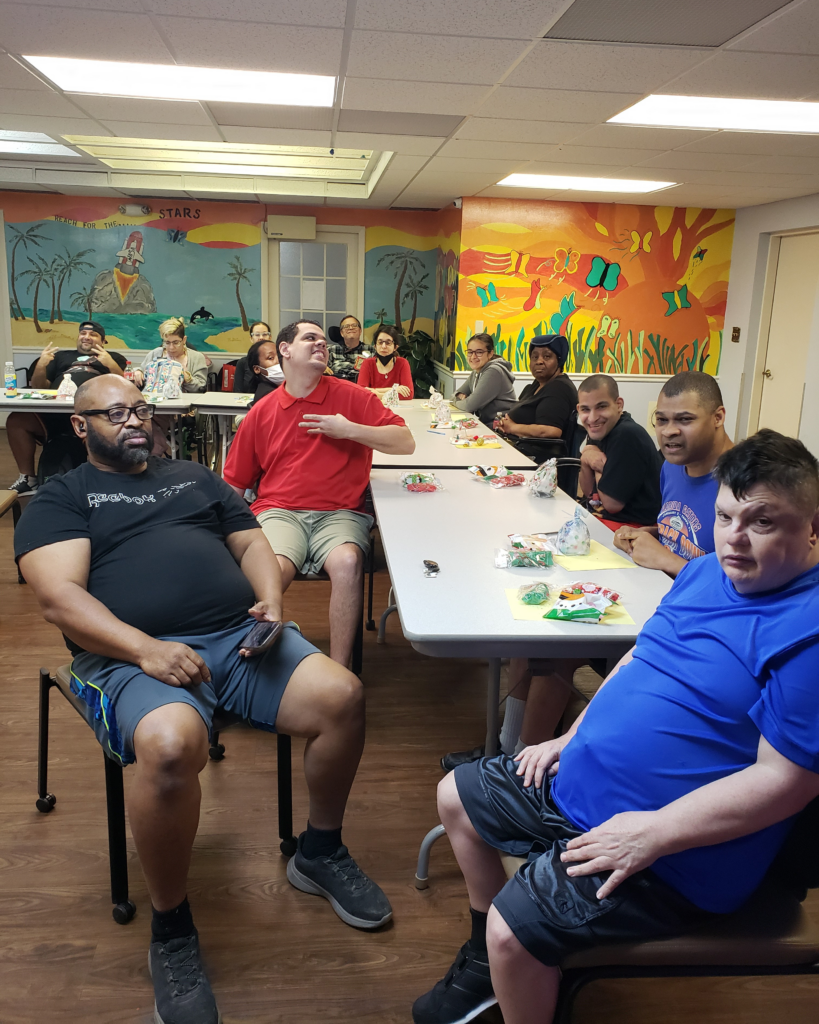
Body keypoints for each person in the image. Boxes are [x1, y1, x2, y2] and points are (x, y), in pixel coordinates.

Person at [15, 374, 393, 1024]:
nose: (134, 421)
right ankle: (171, 927)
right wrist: (144, 649)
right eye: (115, 413)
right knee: (167, 747)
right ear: (80, 427)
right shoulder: (62, 497)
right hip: (129, 656)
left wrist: (272, 600)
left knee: (341, 694)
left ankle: (319, 851)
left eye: (140, 409)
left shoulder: (192, 475)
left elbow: (250, 541)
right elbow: (59, 597)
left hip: (236, 639)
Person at [414, 428, 819, 1024]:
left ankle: (504, 958)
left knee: (513, 932)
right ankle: (485, 964)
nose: (735, 539)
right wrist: (571, 735)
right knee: (456, 798)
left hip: (674, 851)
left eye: (761, 523)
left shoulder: (807, 632)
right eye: (726, 516)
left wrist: (653, 833)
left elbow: (786, 783)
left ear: (813, 527)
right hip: (587, 787)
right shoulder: (707, 572)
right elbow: (641, 658)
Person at [223, 320, 415, 668]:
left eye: (324, 341)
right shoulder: (262, 412)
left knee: (348, 562)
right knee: (273, 568)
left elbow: (406, 443)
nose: (320, 345)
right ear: (285, 350)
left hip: (341, 512)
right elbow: (234, 487)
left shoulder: (351, 396)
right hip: (280, 510)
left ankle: (339, 672)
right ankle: (252, 660)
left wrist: (349, 430)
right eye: (309, 338)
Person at [614, 371, 733, 576]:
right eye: (661, 420)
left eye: (685, 419)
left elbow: (746, 588)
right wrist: (649, 535)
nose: (669, 431)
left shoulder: (747, 484)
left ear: (718, 417)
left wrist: (667, 560)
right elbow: (693, 539)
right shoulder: (672, 465)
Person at [6, 321, 126, 494]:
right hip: (53, 413)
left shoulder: (113, 357)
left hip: (94, 415)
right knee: (17, 420)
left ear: (103, 341)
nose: (86, 337)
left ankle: (110, 479)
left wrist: (109, 363)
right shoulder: (61, 356)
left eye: (93, 334)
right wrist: (41, 364)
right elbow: (40, 386)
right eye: (83, 333)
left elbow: (122, 384)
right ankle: (28, 479)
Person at [577, 374, 662, 529]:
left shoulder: (626, 434)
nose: (593, 417)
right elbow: (588, 492)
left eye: (601, 407)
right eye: (585, 409)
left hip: (632, 528)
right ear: (578, 409)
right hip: (603, 518)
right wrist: (586, 457)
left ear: (619, 405)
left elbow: (612, 504)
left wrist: (594, 462)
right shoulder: (599, 429)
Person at [495, 334, 577, 451]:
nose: (539, 361)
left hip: (539, 459)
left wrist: (512, 428)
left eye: (547, 356)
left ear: (559, 361)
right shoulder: (537, 385)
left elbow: (550, 431)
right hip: (519, 447)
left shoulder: (559, 388)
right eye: (534, 357)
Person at [451, 333, 516, 426]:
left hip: (501, 427)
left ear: (490, 353)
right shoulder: (476, 372)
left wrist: (456, 401)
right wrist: (459, 397)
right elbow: (455, 394)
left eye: (479, 352)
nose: (473, 357)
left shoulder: (494, 371)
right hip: (487, 423)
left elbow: (469, 406)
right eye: (470, 352)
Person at [133, 317, 208, 394]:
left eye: (176, 342)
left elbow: (200, 388)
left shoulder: (196, 357)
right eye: (167, 343)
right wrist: (138, 372)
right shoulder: (154, 354)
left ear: (184, 340)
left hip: (184, 403)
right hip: (155, 402)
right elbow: (141, 370)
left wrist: (186, 377)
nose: (171, 347)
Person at [357, 325, 414, 400]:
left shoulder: (402, 363)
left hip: (396, 409)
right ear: (375, 346)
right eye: (380, 342)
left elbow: (408, 394)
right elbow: (360, 392)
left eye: (388, 343)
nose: (383, 346)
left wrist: (376, 392)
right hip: (373, 407)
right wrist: (394, 390)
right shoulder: (367, 363)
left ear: (395, 347)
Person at [327, 314, 373, 382]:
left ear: (360, 331)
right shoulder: (331, 350)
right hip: (338, 387)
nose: (351, 328)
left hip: (361, 388)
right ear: (342, 333)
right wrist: (322, 368)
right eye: (346, 326)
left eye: (354, 325)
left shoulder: (371, 350)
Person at [233, 322, 276, 394]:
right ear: (251, 338)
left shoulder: (278, 361)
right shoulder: (242, 363)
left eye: (265, 334)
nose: (261, 337)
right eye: (257, 335)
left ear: (270, 337)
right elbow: (237, 391)